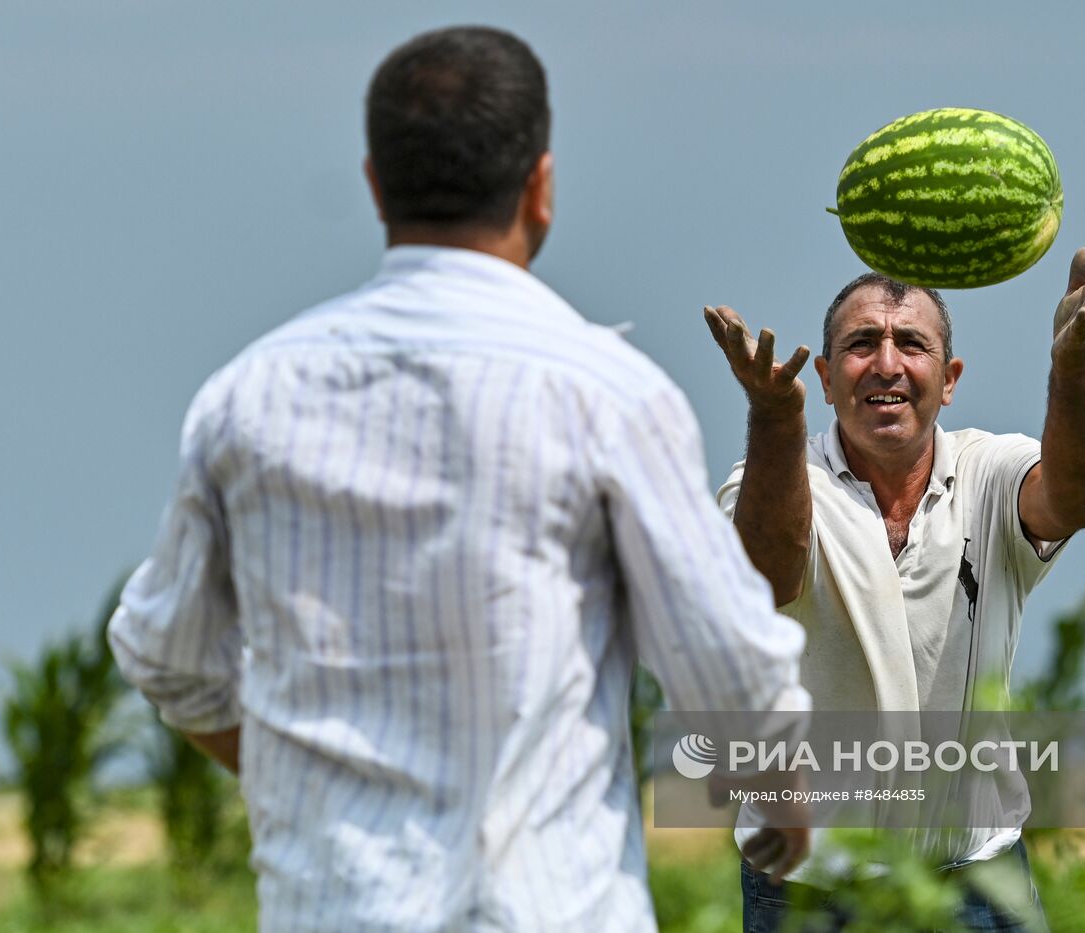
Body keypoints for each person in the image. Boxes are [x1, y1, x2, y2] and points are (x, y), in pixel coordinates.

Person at [109, 26, 812, 932]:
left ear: (373, 184)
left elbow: (166, 652)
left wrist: (310, 789)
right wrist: (786, 805)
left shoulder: (250, 394)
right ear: (541, 187)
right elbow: (727, 659)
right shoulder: (606, 392)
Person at [704, 234, 1085, 931]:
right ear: (830, 376)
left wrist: (1075, 366)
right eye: (863, 342)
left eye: (912, 344)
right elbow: (765, 573)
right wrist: (774, 420)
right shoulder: (769, 482)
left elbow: (1075, 497)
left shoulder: (990, 470)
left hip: (979, 881)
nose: (888, 364)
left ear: (950, 377)